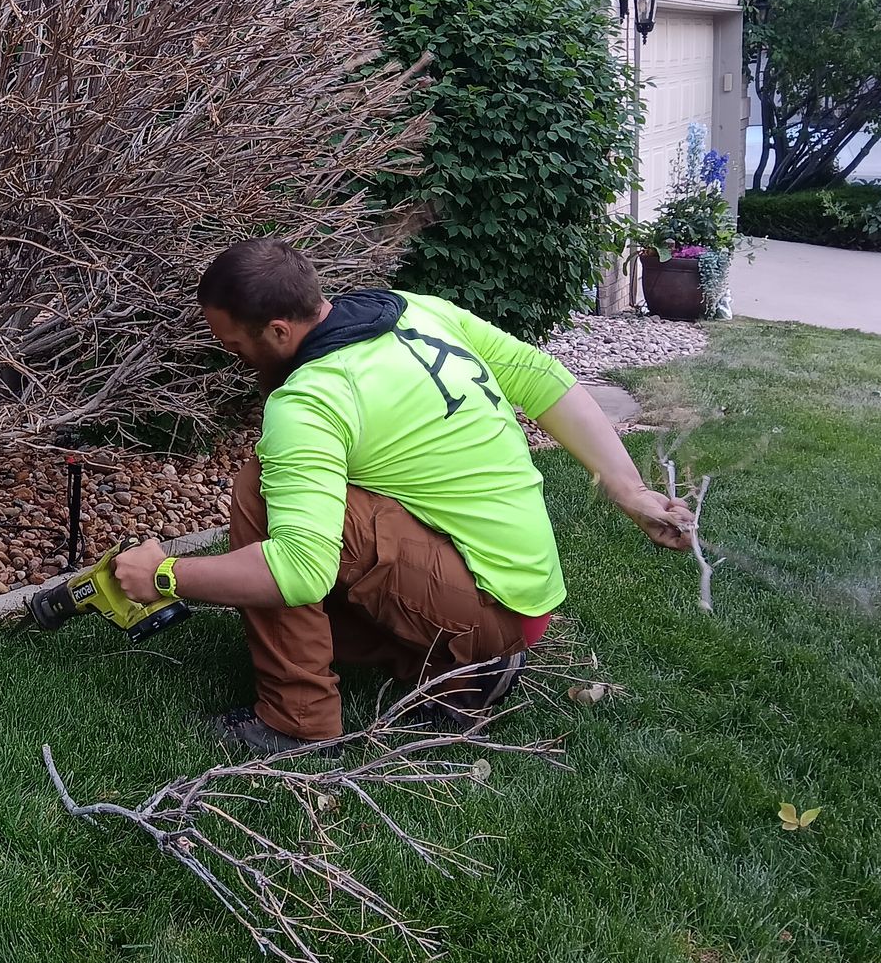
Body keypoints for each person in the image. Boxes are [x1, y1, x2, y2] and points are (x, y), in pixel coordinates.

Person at [111, 240, 695, 752]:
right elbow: (541, 377)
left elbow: (298, 574)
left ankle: (297, 722)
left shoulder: (312, 398)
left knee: (264, 494)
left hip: (489, 611)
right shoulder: (417, 312)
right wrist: (629, 489)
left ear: (280, 331)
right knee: (316, 512)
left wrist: (165, 575)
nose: (236, 359)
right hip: (524, 595)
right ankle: (452, 670)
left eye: (237, 346)